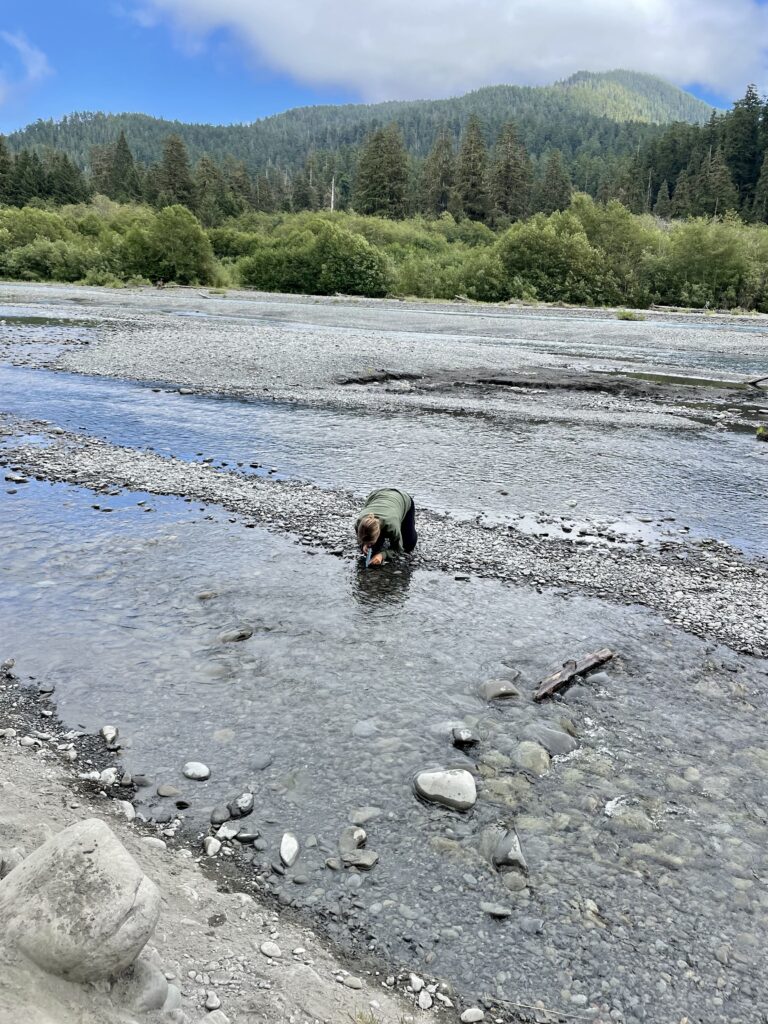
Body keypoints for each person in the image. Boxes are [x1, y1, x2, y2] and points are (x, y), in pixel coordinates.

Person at [355, 487, 417, 566]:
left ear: (378, 533)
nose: (369, 545)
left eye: (370, 543)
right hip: (376, 495)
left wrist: (382, 555)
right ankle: (377, 540)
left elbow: (398, 549)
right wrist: (363, 545)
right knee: (374, 548)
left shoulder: (391, 525)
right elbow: (361, 539)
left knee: (408, 546)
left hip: (401, 498)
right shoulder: (359, 523)